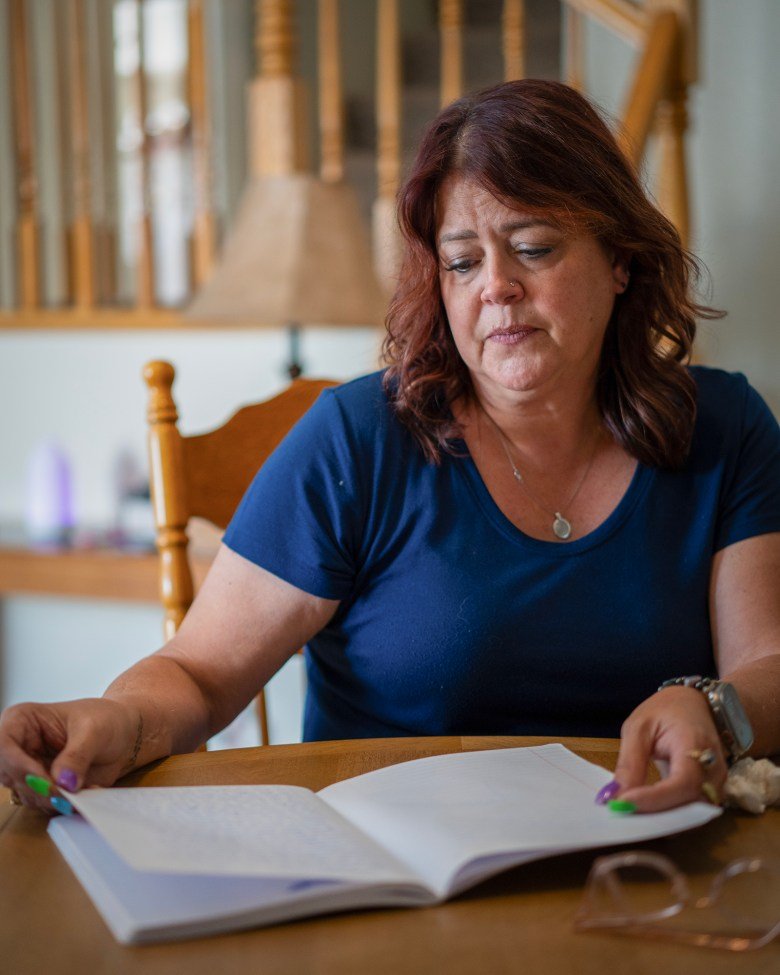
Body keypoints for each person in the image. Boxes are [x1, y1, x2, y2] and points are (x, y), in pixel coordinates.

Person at [2, 80, 779, 817]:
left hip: (643, 858)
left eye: (535, 247)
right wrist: (112, 716)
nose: (495, 286)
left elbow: (768, 664)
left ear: (621, 261)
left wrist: (717, 708)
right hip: (395, 882)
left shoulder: (726, 426)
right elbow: (197, 674)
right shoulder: (357, 438)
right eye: (463, 261)